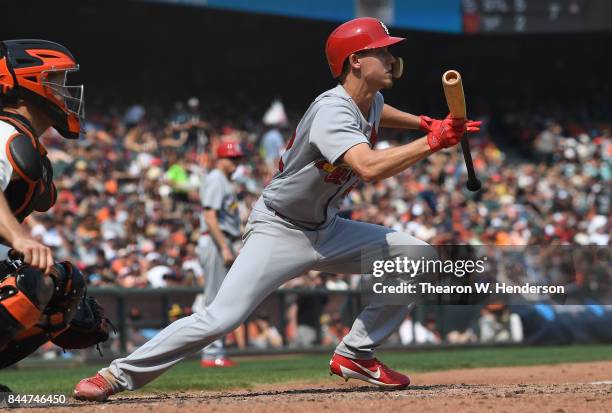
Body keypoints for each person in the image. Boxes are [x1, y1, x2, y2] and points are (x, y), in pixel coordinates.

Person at [74, 17, 480, 401]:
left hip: (327, 228)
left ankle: (356, 353)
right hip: (279, 230)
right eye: (383, 51)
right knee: (220, 318)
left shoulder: (369, 100)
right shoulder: (332, 110)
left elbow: (380, 114)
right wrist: (433, 143)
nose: (392, 58)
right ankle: (115, 375)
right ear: (355, 61)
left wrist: (423, 123)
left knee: (418, 257)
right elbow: (368, 167)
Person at [0, 40, 110, 379]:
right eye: (56, 80)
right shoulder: (4, 132)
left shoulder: (27, 143)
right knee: (29, 282)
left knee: (63, 287)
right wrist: (21, 238)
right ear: (29, 83)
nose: (64, 91)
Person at [192, 140, 244, 367]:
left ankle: (217, 352)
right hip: (215, 241)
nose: (234, 162)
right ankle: (211, 354)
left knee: (222, 299)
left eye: (236, 158)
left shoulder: (224, 181)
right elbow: (210, 216)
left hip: (222, 240)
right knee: (215, 299)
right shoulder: (215, 178)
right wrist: (224, 247)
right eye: (230, 158)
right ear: (220, 159)